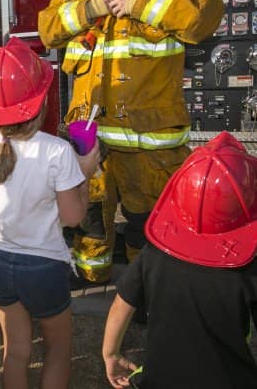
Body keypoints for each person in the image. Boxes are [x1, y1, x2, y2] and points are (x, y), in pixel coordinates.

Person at [38, 0, 224, 282]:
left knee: (148, 222)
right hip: (90, 138)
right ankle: (92, 277)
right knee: (91, 217)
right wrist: (90, 10)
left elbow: (206, 14)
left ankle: (148, 293)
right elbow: (47, 28)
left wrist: (138, 4)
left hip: (148, 142)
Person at [0, 37, 101, 389]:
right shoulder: (57, 152)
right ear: (41, 100)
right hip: (44, 267)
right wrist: (84, 174)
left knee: (15, 351)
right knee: (57, 351)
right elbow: (72, 217)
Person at [102, 131, 257, 389]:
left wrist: (111, 354)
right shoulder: (247, 266)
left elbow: (123, 302)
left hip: (160, 379)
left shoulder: (154, 252)